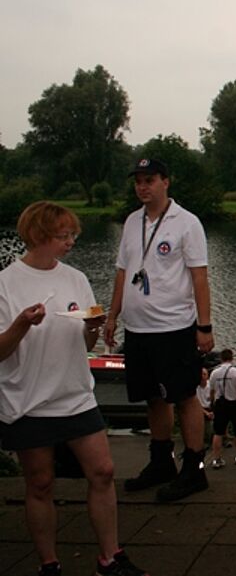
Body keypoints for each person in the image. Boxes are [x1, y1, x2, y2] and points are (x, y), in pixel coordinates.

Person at [0, 201, 148, 576]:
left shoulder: (76, 279)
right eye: (63, 236)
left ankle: (110, 558)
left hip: (75, 394)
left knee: (102, 471)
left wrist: (94, 328)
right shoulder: (6, 283)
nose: (70, 243)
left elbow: (83, 343)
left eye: (72, 236)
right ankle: (49, 564)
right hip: (28, 399)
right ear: (37, 236)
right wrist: (20, 324)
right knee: (41, 482)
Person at [103, 157, 214, 502]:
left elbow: (199, 277)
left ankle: (194, 470)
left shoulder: (187, 223)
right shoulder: (132, 221)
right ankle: (161, 462)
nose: (142, 187)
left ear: (166, 181)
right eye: (138, 181)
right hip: (137, 328)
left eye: (149, 180)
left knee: (182, 397)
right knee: (152, 397)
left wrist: (204, 326)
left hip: (174, 326)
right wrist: (112, 316)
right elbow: (124, 272)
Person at [207, 349, 236, 468]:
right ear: (232, 358)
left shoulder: (214, 373)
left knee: (218, 432)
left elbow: (211, 391)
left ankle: (217, 459)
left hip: (220, 404)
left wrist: (212, 403)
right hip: (234, 403)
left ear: (221, 358)